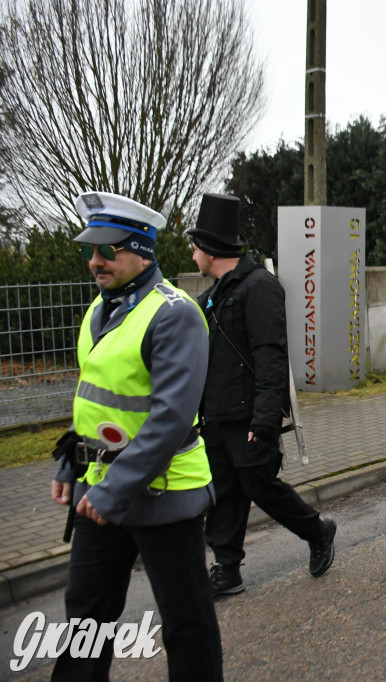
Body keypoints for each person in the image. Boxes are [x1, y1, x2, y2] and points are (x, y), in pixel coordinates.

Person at [50, 192, 222, 680]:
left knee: (185, 624)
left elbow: (170, 419)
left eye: (107, 251)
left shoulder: (176, 313)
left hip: (164, 494)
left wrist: (112, 489)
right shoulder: (99, 309)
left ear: (141, 250)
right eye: (91, 250)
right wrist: (71, 463)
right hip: (101, 490)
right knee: (86, 615)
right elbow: (93, 397)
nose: (94, 261)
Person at [189, 193, 337, 597]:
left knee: (258, 484)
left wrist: (266, 418)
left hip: (251, 416)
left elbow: (271, 356)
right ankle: (226, 568)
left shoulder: (260, 288)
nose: (191, 254)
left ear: (210, 248)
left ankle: (317, 529)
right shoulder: (211, 297)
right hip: (217, 416)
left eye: (195, 245)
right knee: (223, 491)